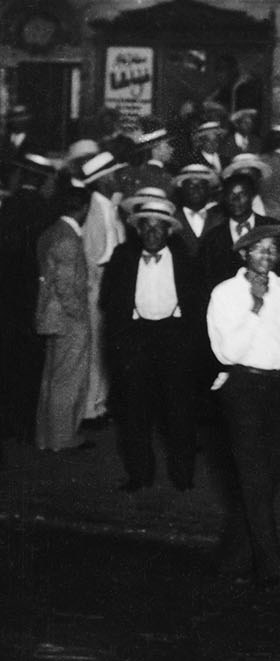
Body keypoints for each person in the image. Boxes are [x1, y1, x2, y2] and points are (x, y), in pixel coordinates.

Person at [205, 223, 280, 589]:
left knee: (268, 476)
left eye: (272, 250)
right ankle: (270, 560)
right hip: (243, 386)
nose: (266, 256)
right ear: (243, 253)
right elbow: (226, 351)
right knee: (252, 475)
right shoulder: (225, 294)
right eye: (258, 249)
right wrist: (256, 306)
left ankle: (233, 558)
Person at [101, 191, 205, 489]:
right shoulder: (123, 257)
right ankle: (140, 475)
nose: (151, 233)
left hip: (174, 339)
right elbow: (109, 301)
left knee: (180, 413)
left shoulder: (184, 258)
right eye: (145, 226)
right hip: (137, 341)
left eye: (158, 227)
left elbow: (197, 303)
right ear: (137, 229)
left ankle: (183, 477)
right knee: (135, 413)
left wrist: (189, 343)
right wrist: (121, 346)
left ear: (169, 230)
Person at [34, 182, 96, 454]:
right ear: (84, 208)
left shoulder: (50, 232)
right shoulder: (69, 238)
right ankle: (63, 438)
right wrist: (80, 317)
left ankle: (47, 436)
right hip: (68, 320)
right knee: (67, 380)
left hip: (51, 317)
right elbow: (65, 285)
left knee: (52, 379)